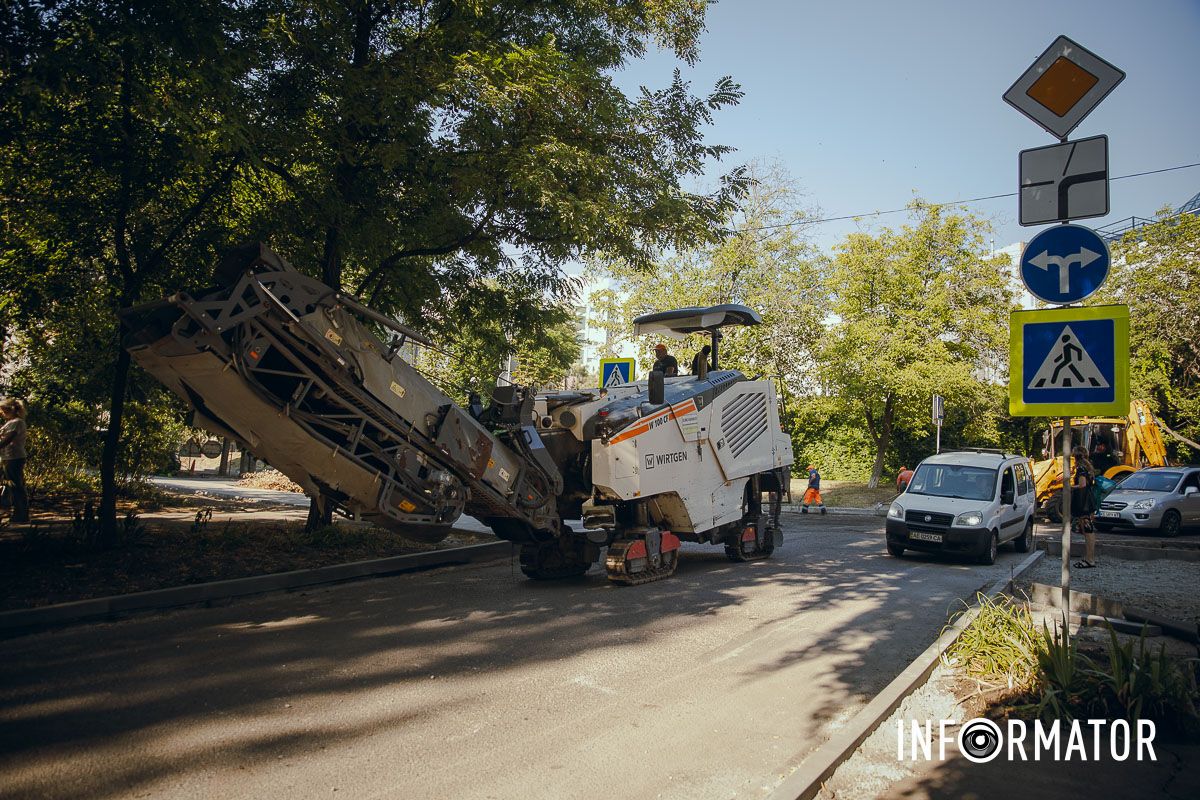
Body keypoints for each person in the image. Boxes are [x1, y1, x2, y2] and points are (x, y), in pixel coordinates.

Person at [0, 396, 29, 524]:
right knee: (13, 486)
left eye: (5, 410)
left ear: (12, 409)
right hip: (8, 457)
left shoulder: (17, 422)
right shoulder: (11, 422)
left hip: (14, 457)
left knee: (16, 486)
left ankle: (21, 515)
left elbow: (8, 439)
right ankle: (18, 513)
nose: (3, 413)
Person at [1070, 445, 1097, 569]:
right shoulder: (1088, 467)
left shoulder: (1081, 468)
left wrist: (1069, 487)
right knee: (1088, 530)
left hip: (1083, 501)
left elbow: (1082, 484)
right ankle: (1089, 558)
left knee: (1088, 530)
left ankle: (1090, 559)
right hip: (1088, 499)